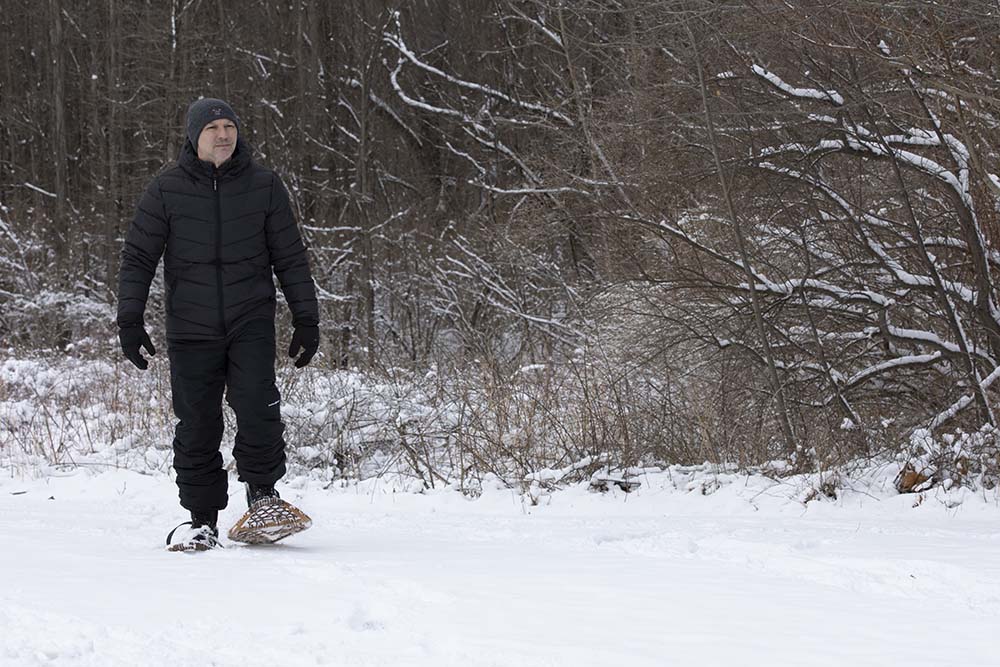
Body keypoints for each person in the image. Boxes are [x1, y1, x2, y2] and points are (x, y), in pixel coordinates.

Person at [116, 98, 319, 551]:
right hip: (190, 327)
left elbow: (290, 256)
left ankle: (264, 499)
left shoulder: (264, 186)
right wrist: (129, 319)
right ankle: (200, 519)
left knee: (258, 407)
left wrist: (306, 316)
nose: (224, 135)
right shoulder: (166, 189)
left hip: (250, 321)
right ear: (194, 136)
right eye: (213, 128)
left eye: (230, 126)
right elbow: (138, 257)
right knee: (196, 423)